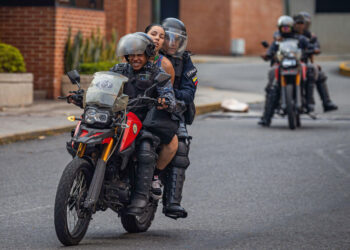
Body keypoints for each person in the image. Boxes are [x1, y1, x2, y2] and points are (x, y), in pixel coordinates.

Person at [109, 32, 178, 215]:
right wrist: (84, 94)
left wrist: (165, 100)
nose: (135, 58)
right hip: (120, 117)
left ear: (147, 55)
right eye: (131, 55)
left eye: (139, 55)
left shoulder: (158, 74)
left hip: (144, 121)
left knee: (145, 146)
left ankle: (141, 195)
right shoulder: (119, 70)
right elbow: (104, 85)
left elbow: (169, 95)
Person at [160, 17, 198, 219]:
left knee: (181, 146)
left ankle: (172, 202)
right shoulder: (150, 55)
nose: (172, 43)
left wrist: (171, 96)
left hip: (174, 110)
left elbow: (189, 92)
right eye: (168, 38)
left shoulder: (187, 63)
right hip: (145, 107)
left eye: (177, 39)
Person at [258, 15, 311, 126]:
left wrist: (311, 50)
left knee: (309, 75)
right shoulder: (277, 40)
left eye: (288, 28)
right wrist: (267, 54)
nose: (285, 30)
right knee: (272, 87)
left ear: (292, 27)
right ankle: (266, 117)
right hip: (281, 65)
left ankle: (309, 102)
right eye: (283, 28)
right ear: (279, 28)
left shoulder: (300, 38)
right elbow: (271, 50)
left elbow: (309, 46)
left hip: (296, 63)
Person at [298, 11, 338, 112]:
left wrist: (313, 62)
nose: (303, 26)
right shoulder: (290, 34)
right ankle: (308, 103)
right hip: (290, 62)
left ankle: (326, 102)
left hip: (304, 62)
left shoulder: (311, 36)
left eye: (305, 23)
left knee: (319, 74)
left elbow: (315, 48)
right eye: (301, 23)